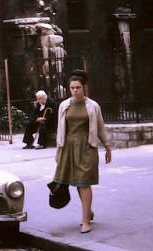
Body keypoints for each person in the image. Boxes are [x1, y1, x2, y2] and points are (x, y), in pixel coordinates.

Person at [52, 71, 112, 234]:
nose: (75, 90)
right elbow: (60, 129)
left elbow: (100, 126)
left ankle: (85, 221)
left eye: (78, 87)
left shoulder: (93, 106)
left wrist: (107, 146)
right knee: (77, 182)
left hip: (87, 147)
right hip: (68, 148)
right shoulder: (64, 106)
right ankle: (88, 211)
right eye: (72, 88)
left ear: (84, 87)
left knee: (84, 182)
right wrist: (58, 151)